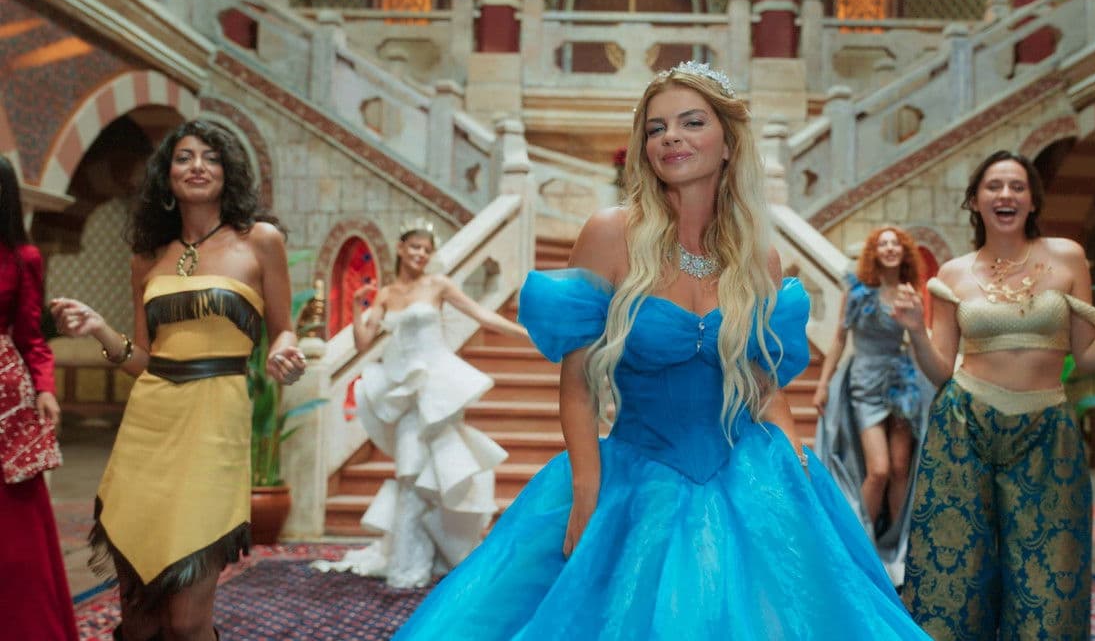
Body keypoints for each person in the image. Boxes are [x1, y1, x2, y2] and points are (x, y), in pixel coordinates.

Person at [391, 62, 930, 639]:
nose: (671, 137)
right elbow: (578, 385)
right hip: (636, 473)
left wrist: (794, 460)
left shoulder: (760, 258)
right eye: (656, 128)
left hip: (750, 469)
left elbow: (763, 383)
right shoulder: (610, 234)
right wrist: (587, 490)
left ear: (728, 143)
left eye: (691, 122)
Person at [891, 150, 1095, 641]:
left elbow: (1086, 355)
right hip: (963, 426)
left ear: (1032, 201)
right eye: (993, 186)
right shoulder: (954, 272)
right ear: (975, 201)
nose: (1005, 195)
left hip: (1046, 429)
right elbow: (941, 369)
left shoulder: (1066, 256)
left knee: (1050, 572)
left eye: (1017, 186)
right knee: (955, 572)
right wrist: (914, 331)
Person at [49, 119, 305, 641]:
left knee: (187, 620)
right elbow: (144, 359)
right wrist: (99, 328)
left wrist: (285, 351)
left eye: (210, 157)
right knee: (139, 616)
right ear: (167, 176)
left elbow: (283, 329)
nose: (197, 167)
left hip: (214, 427)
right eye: (184, 157)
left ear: (228, 172)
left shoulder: (260, 241)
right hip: (148, 427)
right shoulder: (148, 257)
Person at [313, 218, 526, 588]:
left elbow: (480, 313)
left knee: (442, 466)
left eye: (426, 250)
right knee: (410, 471)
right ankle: (410, 560)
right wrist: (359, 305)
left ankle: (439, 555)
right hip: (404, 389)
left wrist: (525, 333)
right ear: (400, 248)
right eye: (415, 247)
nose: (420, 254)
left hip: (437, 388)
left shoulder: (438, 284)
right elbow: (363, 342)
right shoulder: (386, 294)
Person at [812, 225, 934, 586]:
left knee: (900, 468)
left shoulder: (911, 293)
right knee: (878, 470)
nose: (890, 248)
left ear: (904, 251)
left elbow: (918, 340)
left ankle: (896, 550)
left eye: (896, 243)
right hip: (864, 383)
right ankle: (857, 548)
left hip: (901, 384)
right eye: (883, 243)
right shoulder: (857, 292)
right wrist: (823, 384)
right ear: (874, 252)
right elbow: (838, 340)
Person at [0, 155, 77, 640]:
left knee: (14, 531)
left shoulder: (23, 257)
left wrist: (45, 389)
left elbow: (32, 337)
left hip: (5, 402)